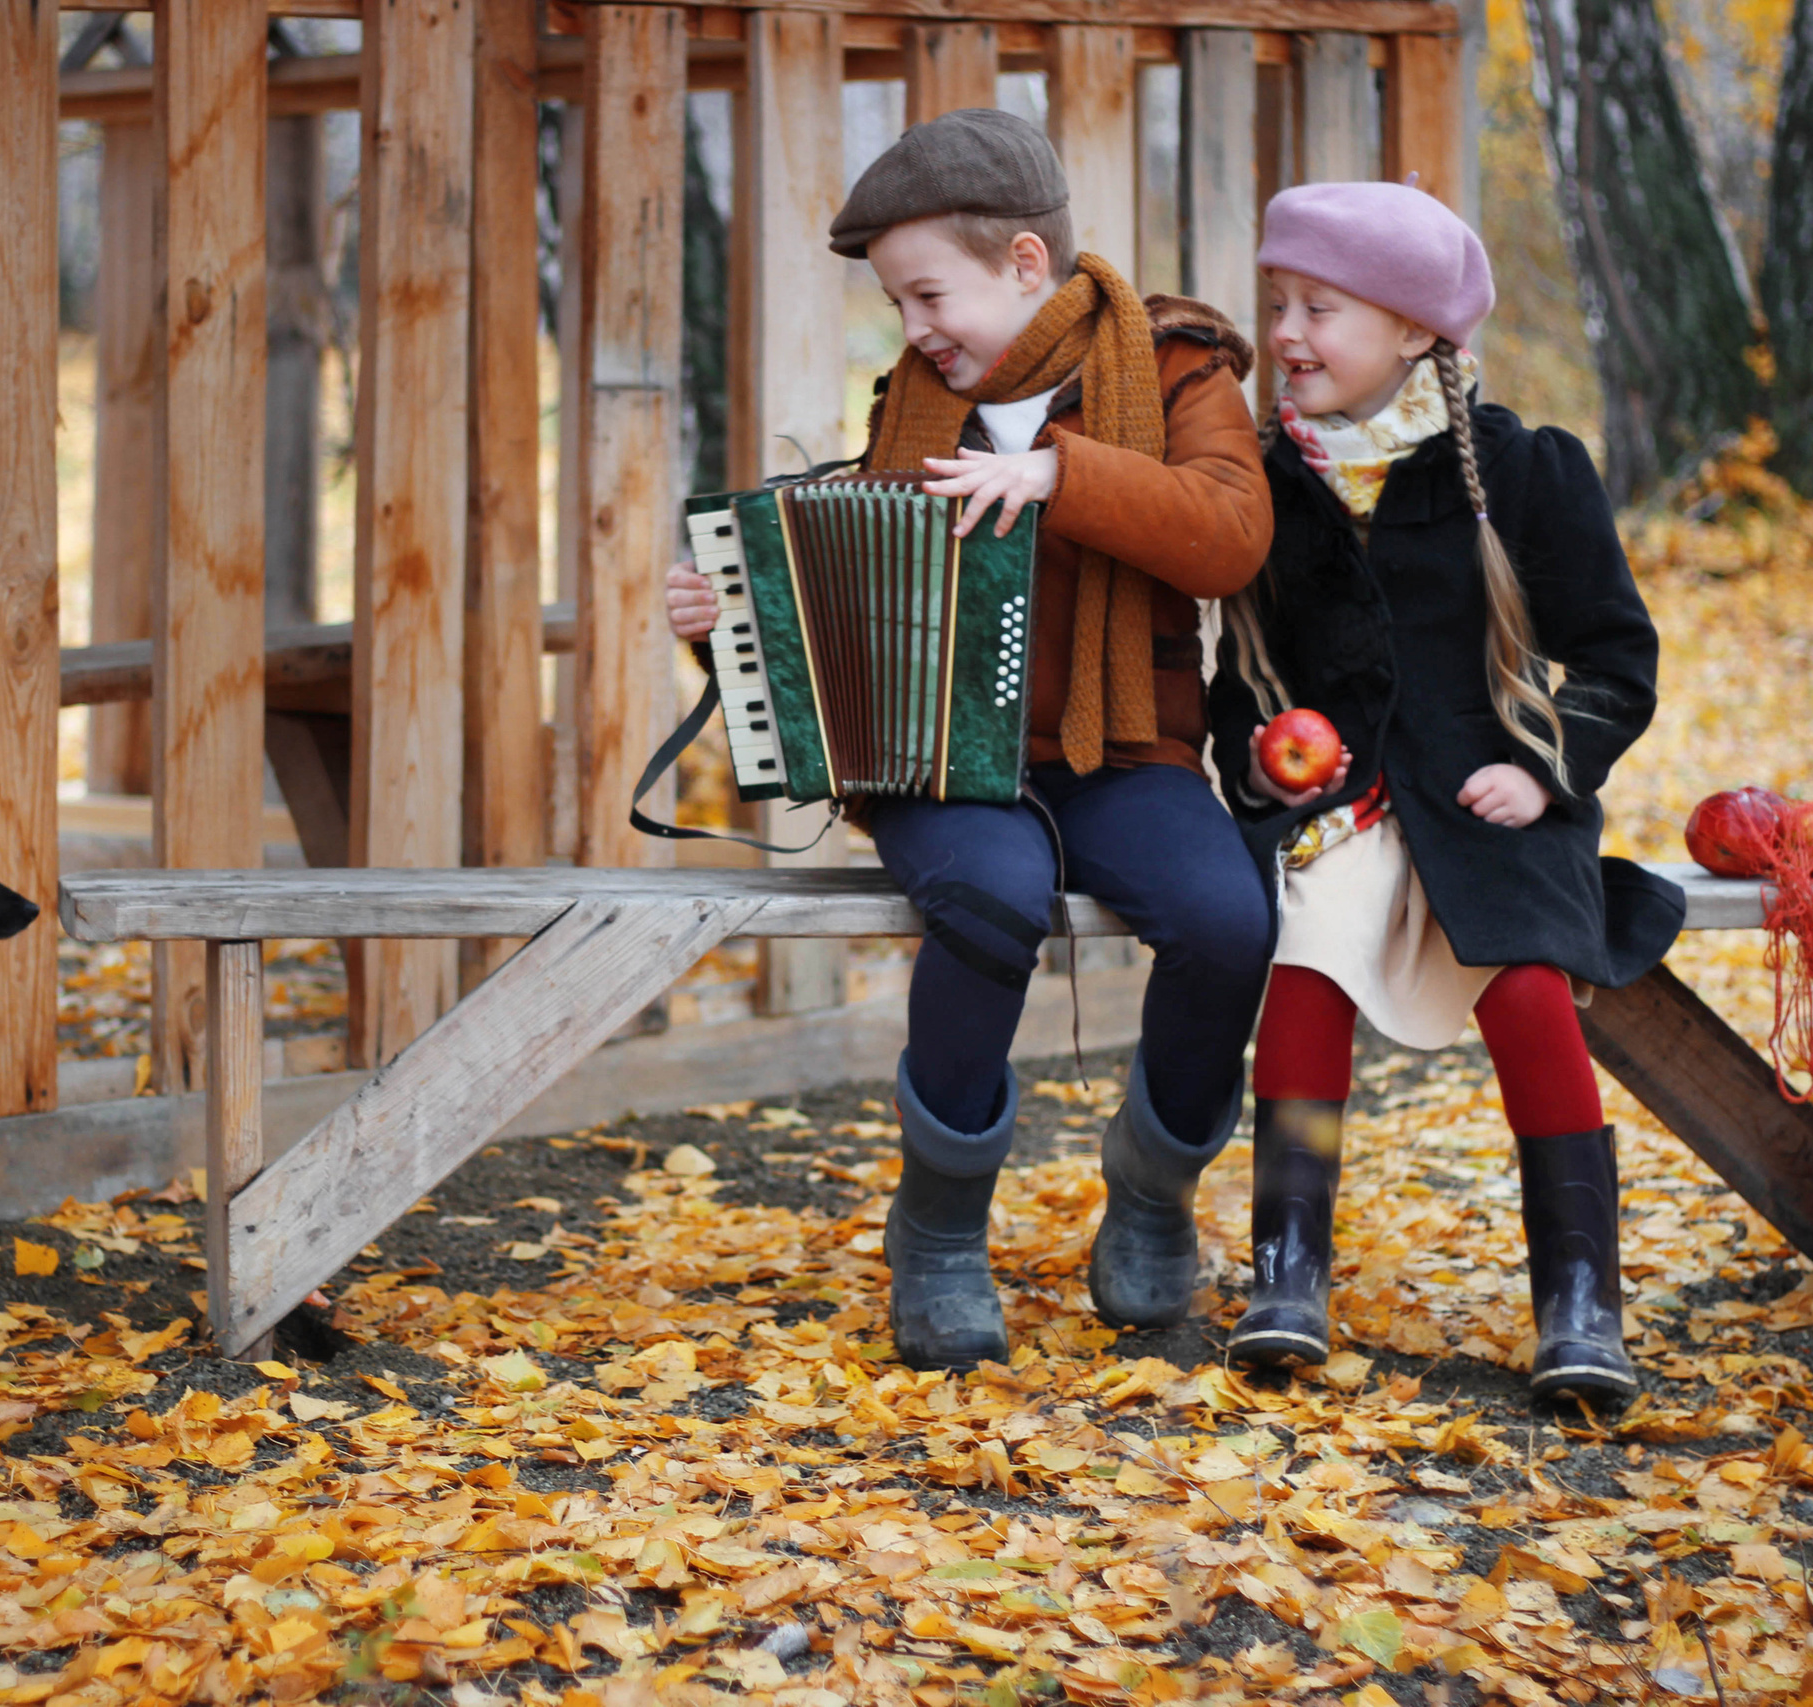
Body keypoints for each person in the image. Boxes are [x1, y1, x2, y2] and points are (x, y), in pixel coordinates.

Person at [665, 110, 1276, 1369]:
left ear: (1021, 265)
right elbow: (847, 616)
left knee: (1226, 923)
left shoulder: (1175, 372)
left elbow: (1230, 534)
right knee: (990, 902)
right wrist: (722, 617)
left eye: (927, 292)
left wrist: (1063, 474)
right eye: (895, 304)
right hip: (943, 760)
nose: (913, 329)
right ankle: (939, 1231)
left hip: (1123, 755)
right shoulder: (919, 399)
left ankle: (1154, 1189)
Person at [1212, 181, 1682, 1404]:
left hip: (1492, 803)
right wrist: (1267, 761)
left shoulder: (1520, 471)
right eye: (1278, 304)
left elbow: (1616, 657)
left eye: (1321, 307)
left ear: (1416, 333)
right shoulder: (1272, 481)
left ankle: (1580, 1295)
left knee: (1528, 986)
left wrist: (1540, 768)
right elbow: (1244, 684)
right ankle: (1288, 1262)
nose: (1287, 332)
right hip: (1351, 807)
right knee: (1307, 964)